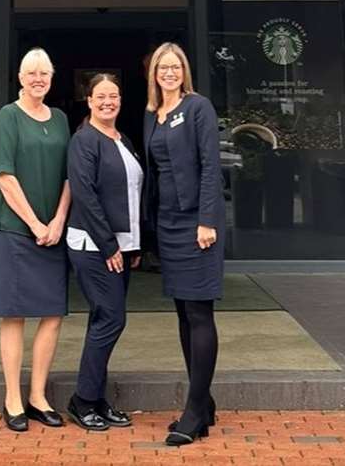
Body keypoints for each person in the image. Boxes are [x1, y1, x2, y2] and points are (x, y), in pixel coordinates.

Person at [0, 48, 71, 433]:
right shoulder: (9, 116)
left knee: (52, 314)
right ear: (20, 77)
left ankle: (38, 397)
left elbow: (71, 175)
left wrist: (59, 220)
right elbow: (4, 176)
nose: (38, 79)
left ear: (51, 78)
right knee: (14, 314)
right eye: (31, 73)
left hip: (54, 231)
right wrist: (36, 223)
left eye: (44, 73)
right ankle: (12, 399)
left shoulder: (62, 118)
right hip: (17, 232)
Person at [143, 42, 225, 447]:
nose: (169, 73)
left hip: (197, 223)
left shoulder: (198, 108)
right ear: (154, 73)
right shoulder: (152, 114)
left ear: (184, 71)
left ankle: (193, 412)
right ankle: (204, 402)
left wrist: (207, 219)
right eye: (163, 67)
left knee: (199, 311)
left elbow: (211, 165)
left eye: (175, 67)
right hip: (168, 223)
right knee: (181, 312)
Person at [65, 73, 144, 432]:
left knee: (104, 320)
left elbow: (129, 194)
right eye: (101, 96)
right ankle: (82, 400)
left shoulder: (122, 139)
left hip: (121, 248)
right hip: (94, 247)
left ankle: (95, 398)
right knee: (112, 319)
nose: (108, 101)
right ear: (90, 100)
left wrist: (134, 245)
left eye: (114, 95)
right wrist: (110, 244)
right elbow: (85, 195)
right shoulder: (84, 140)